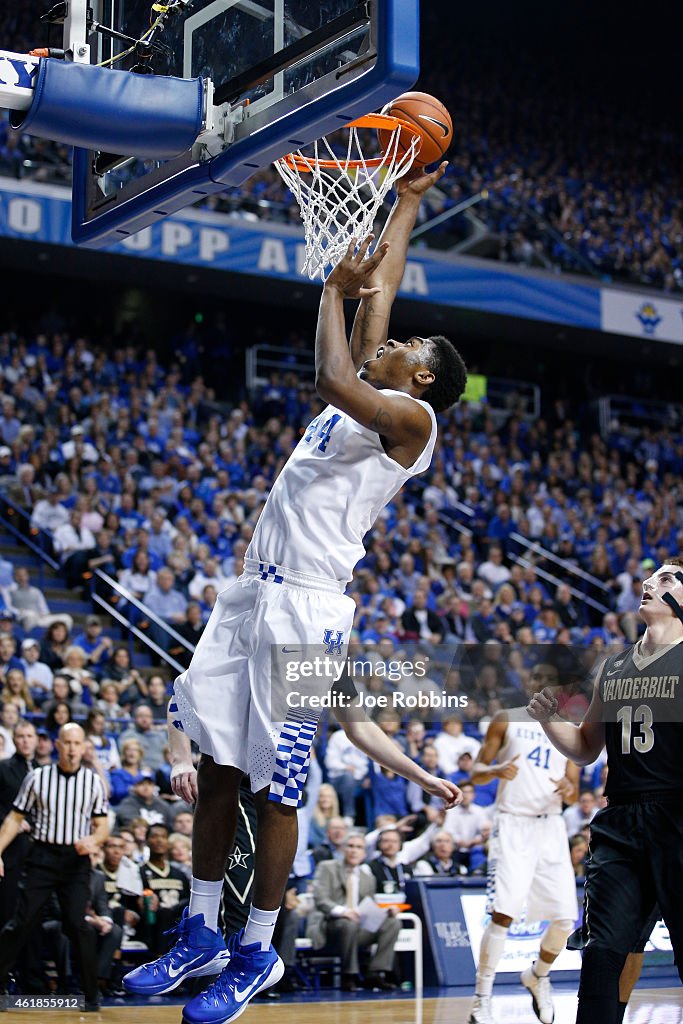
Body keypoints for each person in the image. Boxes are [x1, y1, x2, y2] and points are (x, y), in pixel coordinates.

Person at [123, 164, 466, 1024]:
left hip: (310, 610)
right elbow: (378, 295)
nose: (386, 339)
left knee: (278, 788)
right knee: (218, 768)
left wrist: (328, 292)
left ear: (418, 380)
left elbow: (331, 373)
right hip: (251, 598)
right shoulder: (380, 392)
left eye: (403, 349)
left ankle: (258, 950)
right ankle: (202, 930)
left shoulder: (411, 423)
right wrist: (410, 200)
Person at [528, 560, 683, 1024]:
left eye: (668, 578)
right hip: (621, 822)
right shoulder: (614, 667)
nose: (649, 583)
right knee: (601, 952)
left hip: (677, 816)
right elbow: (586, 748)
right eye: (650, 577)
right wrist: (550, 719)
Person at [468, 658, 580, 1024]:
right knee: (503, 914)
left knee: (565, 919)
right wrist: (494, 770)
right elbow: (475, 774)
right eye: (537, 676)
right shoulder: (506, 717)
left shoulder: (570, 728)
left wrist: (568, 789)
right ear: (529, 682)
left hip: (550, 826)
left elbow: (574, 792)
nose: (541, 682)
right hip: (512, 823)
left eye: (550, 677)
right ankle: (481, 999)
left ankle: (538, 976)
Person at [0, 722, 109, 1011]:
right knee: (20, 923)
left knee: (78, 925)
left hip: (76, 860)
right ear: (57, 745)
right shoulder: (37, 778)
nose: (72, 749)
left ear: (85, 747)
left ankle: (90, 996)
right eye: (67, 743)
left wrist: (94, 839)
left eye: (77, 743)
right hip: (42, 858)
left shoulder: (93, 782)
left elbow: (102, 825)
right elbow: (14, 818)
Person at [307, 831, 402, 991]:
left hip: (358, 928)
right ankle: (348, 976)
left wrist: (385, 912)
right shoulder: (327, 867)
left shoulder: (368, 877)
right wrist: (343, 911)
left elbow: (368, 907)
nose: (354, 850)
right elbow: (320, 899)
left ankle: (374, 973)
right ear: (343, 849)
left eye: (359, 847)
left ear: (364, 854)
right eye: (350, 846)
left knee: (393, 923)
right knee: (347, 923)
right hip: (330, 925)